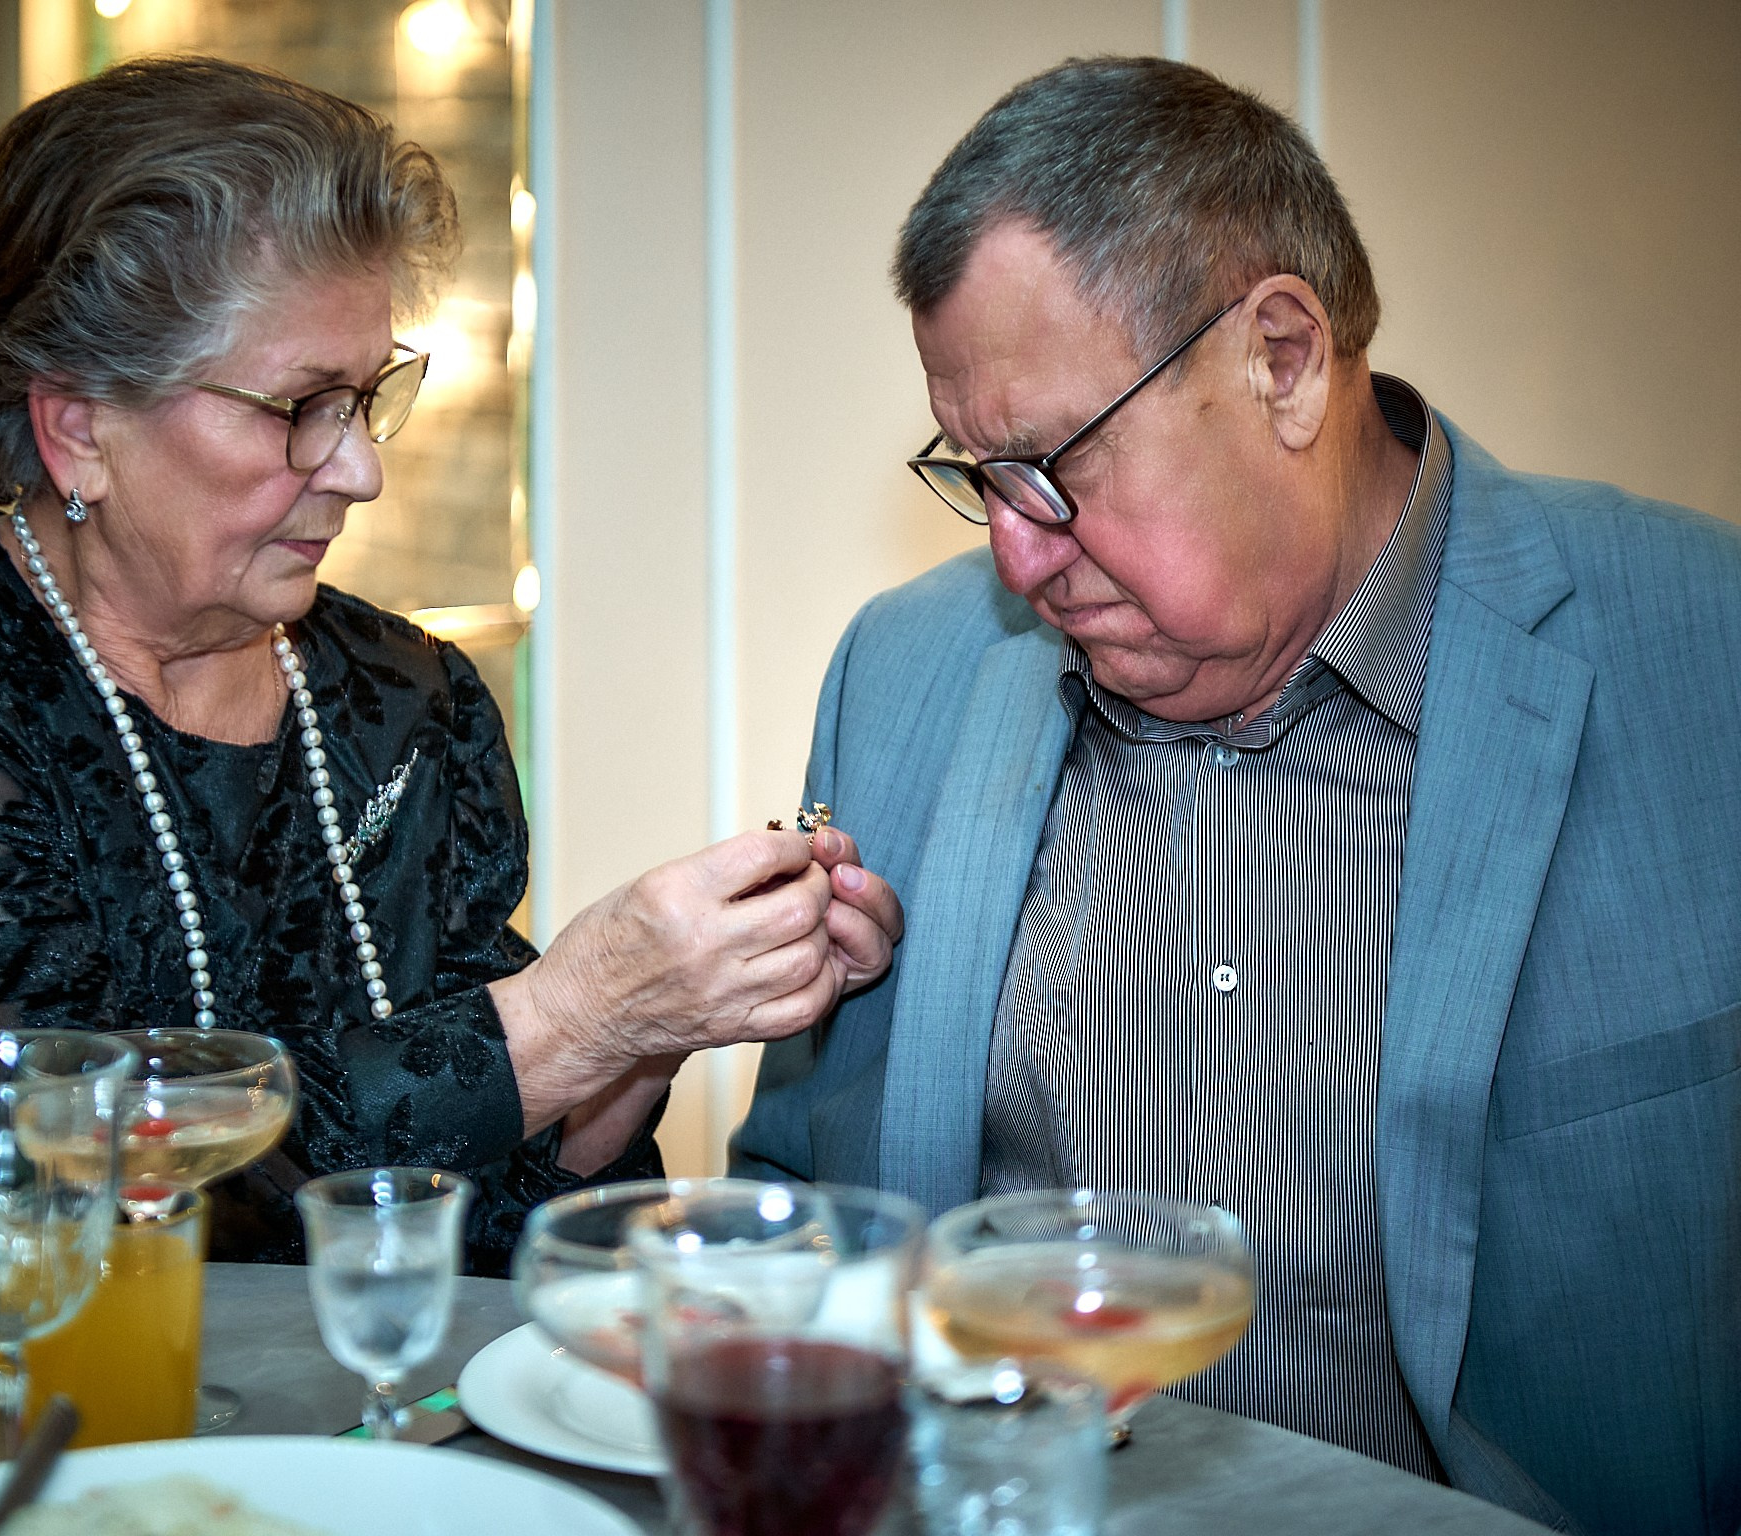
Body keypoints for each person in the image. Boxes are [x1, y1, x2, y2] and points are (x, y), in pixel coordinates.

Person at [731, 55, 1739, 1536]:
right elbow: (802, 1201)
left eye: (1054, 466)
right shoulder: (902, 671)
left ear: (1284, 360)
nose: (1016, 554)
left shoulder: (1703, 654)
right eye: (981, 475)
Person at [0, 56, 901, 1273]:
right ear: (79, 426)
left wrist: (651, 1025)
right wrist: (570, 1011)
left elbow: (499, 1223)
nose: (360, 470)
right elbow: (44, 1182)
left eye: (367, 397)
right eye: (300, 406)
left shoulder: (408, 701)